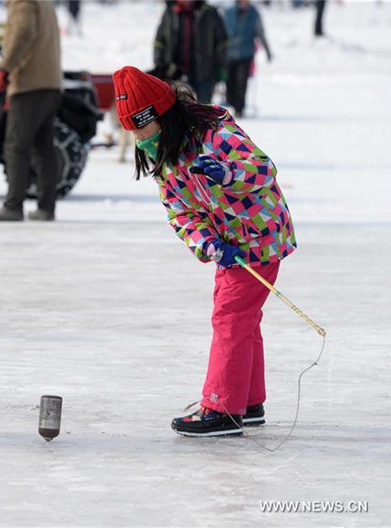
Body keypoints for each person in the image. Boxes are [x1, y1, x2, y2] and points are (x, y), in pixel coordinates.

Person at [111, 66, 296, 437]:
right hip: (230, 243)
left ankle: (223, 407)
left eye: (142, 129)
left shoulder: (215, 134)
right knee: (242, 316)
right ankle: (248, 400)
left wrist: (228, 176)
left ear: (161, 116)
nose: (139, 139)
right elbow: (181, 214)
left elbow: (263, 169)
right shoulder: (166, 158)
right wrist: (207, 243)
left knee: (230, 317)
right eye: (131, 132)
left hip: (259, 235)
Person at [0, 0, 62, 222]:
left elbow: (23, 32)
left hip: (30, 84)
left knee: (16, 146)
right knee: (43, 148)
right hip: (50, 82)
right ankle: (46, 207)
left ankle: (13, 206)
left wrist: (6, 68)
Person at [153, 0, 228, 104]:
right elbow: (160, 40)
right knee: (176, 109)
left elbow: (222, 42)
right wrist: (159, 63)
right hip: (174, 72)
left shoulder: (210, 12)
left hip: (204, 72)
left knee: (202, 109)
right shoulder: (170, 11)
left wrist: (221, 66)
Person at [223, 0, 272, 118]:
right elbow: (221, 32)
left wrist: (267, 50)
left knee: (242, 82)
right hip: (229, 53)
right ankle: (231, 102)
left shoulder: (254, 14)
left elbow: (260, 32)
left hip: (246, 53)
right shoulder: (228, 13)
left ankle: (239, 108)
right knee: (230, 81)